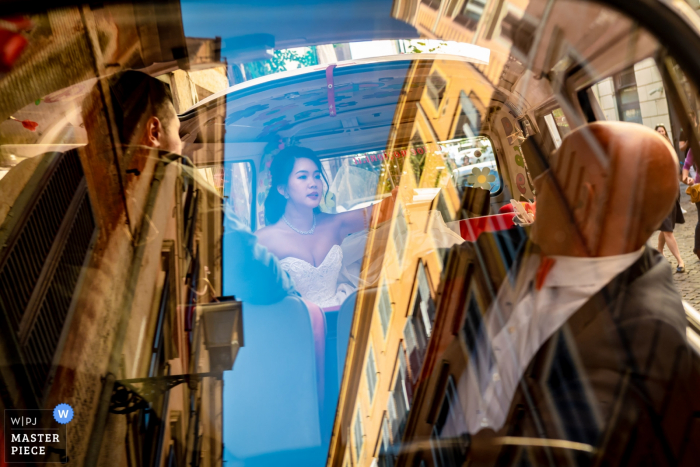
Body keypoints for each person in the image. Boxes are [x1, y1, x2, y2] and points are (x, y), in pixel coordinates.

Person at [464, 121, 699, 466]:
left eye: (549, 176)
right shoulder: (592, 256)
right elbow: (468, 259)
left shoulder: (626, 352)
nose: (535, 188)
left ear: (583, 201)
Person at [255, 146, 395, 308]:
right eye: (302, 177)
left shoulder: (336, 224)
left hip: (342, 314)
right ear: (283, 189)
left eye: (317, 176)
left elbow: (380, 212)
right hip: (298, 323)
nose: (313, 184)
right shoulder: (262, 240)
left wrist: (400, 195)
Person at [654, 124, 685, 272]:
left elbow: (680, 174)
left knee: (666, 228)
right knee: (668, 231)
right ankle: (680, 261)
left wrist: (688, 180)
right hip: (660, 198)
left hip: (672, 195)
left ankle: (659, 253)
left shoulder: (671, 156)